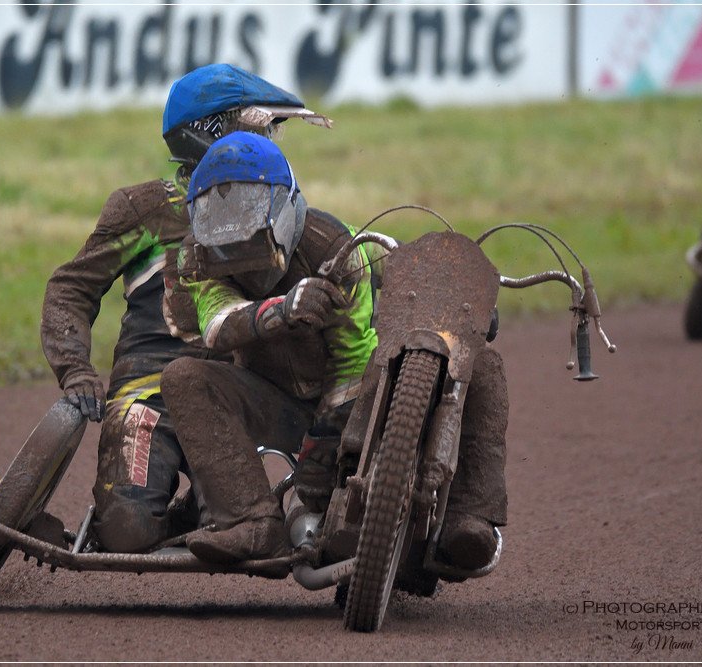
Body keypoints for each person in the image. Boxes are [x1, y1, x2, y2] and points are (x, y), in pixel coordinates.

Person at [160, 133, 509, 572]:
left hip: (359, 395)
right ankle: (252, 521)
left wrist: (325, 441)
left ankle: (470, 516)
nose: (238, 251)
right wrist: (282, 310)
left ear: (284, 210)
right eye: (221, 229)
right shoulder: (194, 256)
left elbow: (353, 356)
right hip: (273, 397)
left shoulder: (336, 247)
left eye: (248, 224)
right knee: (184, 375)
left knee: (485, 363)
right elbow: (216, 324)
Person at [39, 64, 331, 553]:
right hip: (146, 392)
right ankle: (183, 516)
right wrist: (75, 372)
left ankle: (205, 509)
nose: (271, 141)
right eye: (261, 127)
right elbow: (70, 287)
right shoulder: (145, 209)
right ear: (212, 133)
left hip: (236, 393)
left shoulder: (277, 204)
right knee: (126, 534)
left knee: (273, 512)